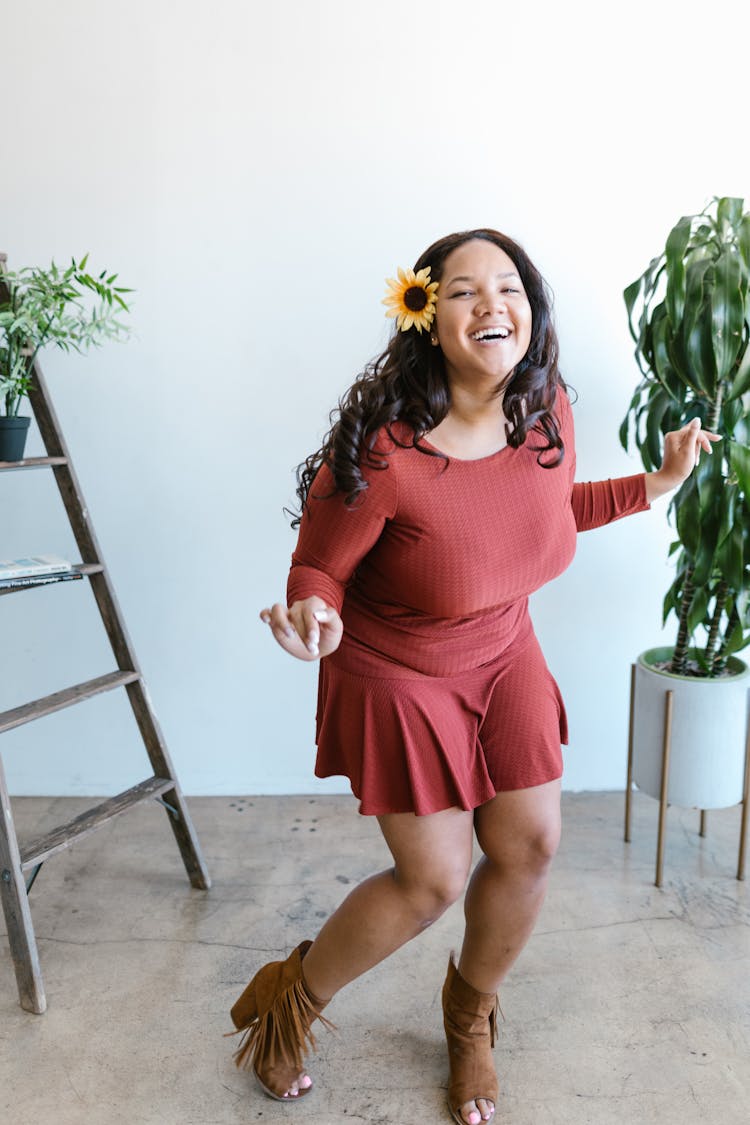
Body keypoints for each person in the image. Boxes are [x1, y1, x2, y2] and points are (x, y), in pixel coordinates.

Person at [230, 229, 718, 1125]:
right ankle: (285, 1003)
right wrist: (310, 617)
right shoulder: (384, 450)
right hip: (397, 667)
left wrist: (656, 483)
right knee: (432, 881)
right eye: (462, 290)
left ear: (530, 308)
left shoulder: (546, 409)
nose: (492, 304)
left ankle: (469, 1015)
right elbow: (319, 568)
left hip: (504, 652)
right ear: (427, 315)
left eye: (509, 286)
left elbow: (545, 507)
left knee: (530, 843)